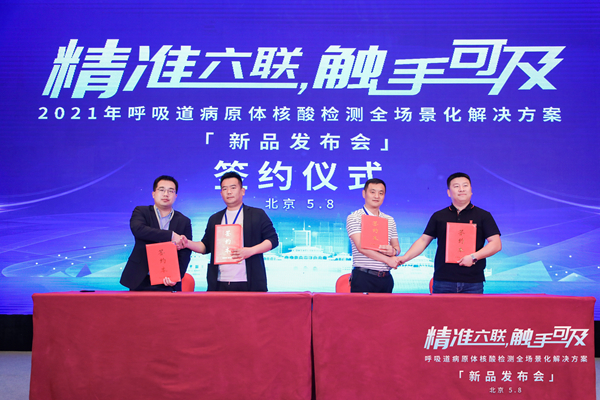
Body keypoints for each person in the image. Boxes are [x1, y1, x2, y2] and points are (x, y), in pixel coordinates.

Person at [398, 172, 501, 293]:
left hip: (473, 281)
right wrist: (404, 258)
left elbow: (496, 244)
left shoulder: (484, 216)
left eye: (465, 185)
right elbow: (423, 241)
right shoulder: (439, 216)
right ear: (449, 192)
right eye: (456, 186)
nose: (461, 189)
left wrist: (474, 257)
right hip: (443, 280)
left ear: (471, 190)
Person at [182, 171, 278, 291]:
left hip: (250, 283)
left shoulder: (257, 214)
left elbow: (273, 240)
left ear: (242, 191)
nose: (229, 192)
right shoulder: (215, 218)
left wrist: (250, 251)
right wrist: (187, 243)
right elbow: (206, 247)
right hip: (219, 283)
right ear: (221, 193)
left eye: (233, 187)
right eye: (225, 188)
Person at [120, 175, 192, 291]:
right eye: (162, 190)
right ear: (153, 194)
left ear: (175, 196)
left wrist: (176, 276)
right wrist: (171, 235)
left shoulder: (184, 221)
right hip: (140, 278)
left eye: (171, 191)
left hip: (168, 281)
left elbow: (185, 253)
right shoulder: (141, 211)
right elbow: (139, 230)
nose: (166, 194)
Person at [346, 178, 400, 293]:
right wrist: (388, 260)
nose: (376, 196)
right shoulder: (354, 217)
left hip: (386, 278)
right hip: (364, 276)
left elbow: (397, 247)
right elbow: (361, 248)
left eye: (381, 193)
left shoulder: (389, 219)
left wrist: (393, 251)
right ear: (364, 193)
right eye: (372, 192)